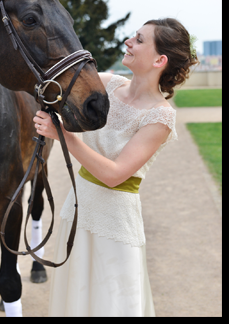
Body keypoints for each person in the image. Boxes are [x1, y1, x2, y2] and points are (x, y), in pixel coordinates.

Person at [33, 18, 198, 317]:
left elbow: (114, 175)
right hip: (78, 208)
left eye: (139, 40)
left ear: (160, 60)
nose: (128, 42)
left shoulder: (160, 116)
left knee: (113, 304)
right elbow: (58, 82)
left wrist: (65, 138)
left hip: (114, 223)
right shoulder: (107, 84)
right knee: (75, 297)